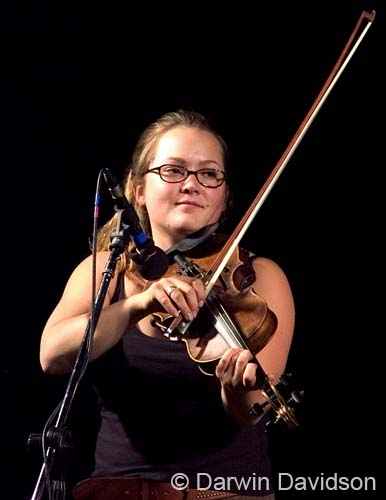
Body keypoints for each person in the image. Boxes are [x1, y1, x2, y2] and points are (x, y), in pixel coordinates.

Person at [39, 109, 295, 500]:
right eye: (173, 170)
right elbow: (53, 357)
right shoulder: (105, 269)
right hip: (117, 492)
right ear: (139, 190)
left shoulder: (259, 278)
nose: (191, 185)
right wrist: (136, 305)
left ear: (223, 197)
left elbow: (252, 412)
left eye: (209, 174)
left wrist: (235, 390)